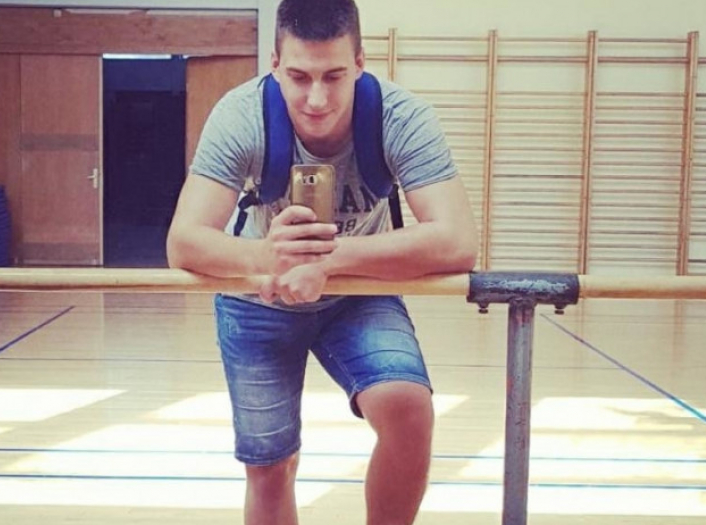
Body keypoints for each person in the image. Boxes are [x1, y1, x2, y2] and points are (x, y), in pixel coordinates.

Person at [166, 0, 477, 523]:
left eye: (334, 76)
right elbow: (184, 242)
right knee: (271, 467)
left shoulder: (401, 117)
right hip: (257, 299)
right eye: (299, 76)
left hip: (358, 293)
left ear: (360, 62)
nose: (316, 98)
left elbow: (458, 241)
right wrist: (268, 258)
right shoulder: (240, 115)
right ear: (274, 65)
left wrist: (326, 259)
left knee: (408, 409)